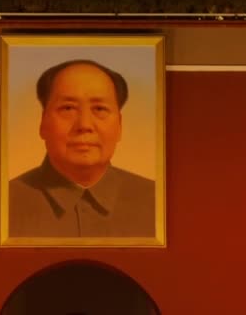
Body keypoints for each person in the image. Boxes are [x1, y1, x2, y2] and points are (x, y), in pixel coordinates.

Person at [9, 59, 155, 237]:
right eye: (68, 108)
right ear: (43, 122)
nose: (84, 125)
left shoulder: (155, 201)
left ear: (120, 126)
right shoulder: (6, 202)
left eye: (100, 109)